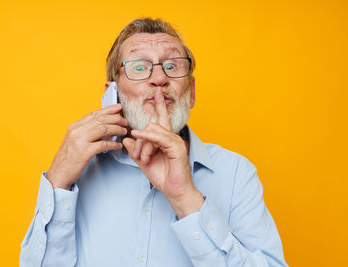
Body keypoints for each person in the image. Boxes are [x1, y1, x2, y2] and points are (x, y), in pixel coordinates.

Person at [19, 17, 288, 267]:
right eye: (139, 67)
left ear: (191, 92)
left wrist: (184, 198)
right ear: (112, 93)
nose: (160, 79)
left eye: (171, 66)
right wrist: (57, 184)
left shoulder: (236, 173)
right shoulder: (79, 172)